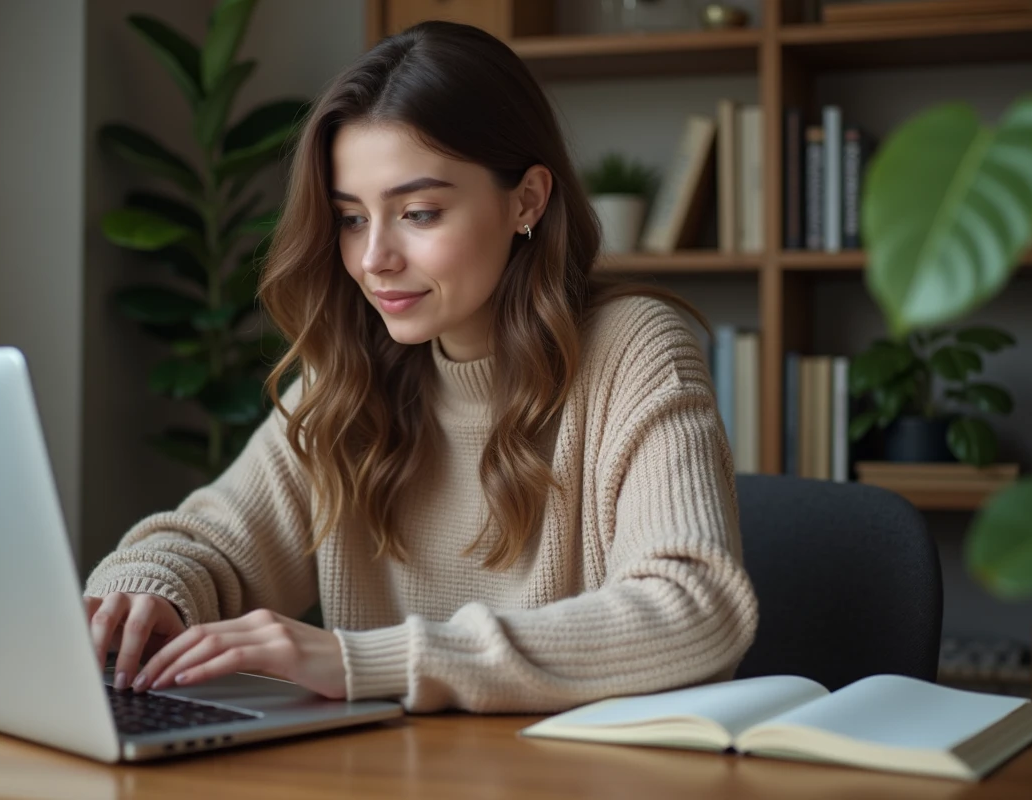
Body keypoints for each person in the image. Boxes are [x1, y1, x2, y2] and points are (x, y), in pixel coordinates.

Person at [83, 20, 758, 714]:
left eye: (420, 212)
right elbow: (211, 543)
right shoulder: (351, 376)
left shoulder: (635, 348)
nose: (375, 258)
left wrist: (368, 661)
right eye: (350, 219)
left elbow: (695, 608)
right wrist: (146, 589)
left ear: (526, 200)